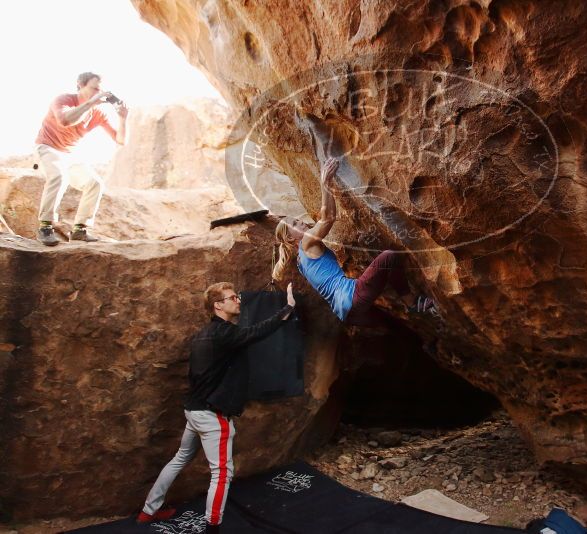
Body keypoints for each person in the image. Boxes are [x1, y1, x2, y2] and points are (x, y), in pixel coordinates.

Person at [136, 282, 295, 533]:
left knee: (179, 459)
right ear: (217, 305)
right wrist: (287, 308)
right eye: (232, 298)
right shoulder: (225, 334)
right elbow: (258, 331)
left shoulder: (203, 334)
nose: (238, 301)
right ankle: (212, 529)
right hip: (211, 415)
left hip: (194, 409)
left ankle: (148, 511)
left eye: (237, 297)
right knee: (222, 474)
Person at [273, 158, 436, 327]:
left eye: (296, 219)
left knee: (394, 325)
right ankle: (411, 303)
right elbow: (327, 218)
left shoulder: (301, 261)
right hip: (352, 298)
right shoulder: (306, 242)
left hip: (348, 314)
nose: (299, 221)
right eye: (294, 224)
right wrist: (325, 182)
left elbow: (326, 217)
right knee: (389, 257)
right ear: (291, 238)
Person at [33, 71, 128, 245]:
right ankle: (45, 226)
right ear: (80, 86)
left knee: (95, 183)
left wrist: (122, 118)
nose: (98, 93)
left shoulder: (98, 113)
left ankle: (79, 230)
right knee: (59, 177)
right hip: (48, 147)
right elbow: (65, 121)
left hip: (69, 154)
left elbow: (120, 140)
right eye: (94, 88)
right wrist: (91, 102)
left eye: (100, 89)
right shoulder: (63, 100)